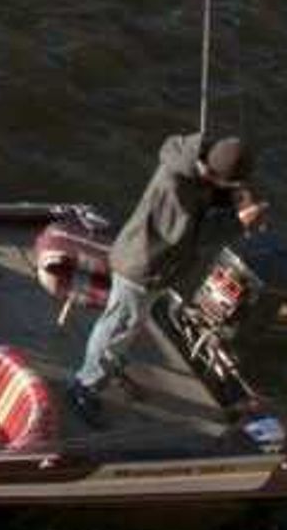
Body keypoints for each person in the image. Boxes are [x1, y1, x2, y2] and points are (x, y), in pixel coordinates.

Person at [71, 131, 263, 423]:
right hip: (143, 267)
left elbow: (204, 195)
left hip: (156, 265)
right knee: (118, 327)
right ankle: (85, 384)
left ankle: (110, 363)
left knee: (127, 325)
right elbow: (193, 238)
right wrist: (239, 222)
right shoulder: (176, 190)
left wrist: (229, 195)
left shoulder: (189, 166)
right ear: (214, 172)